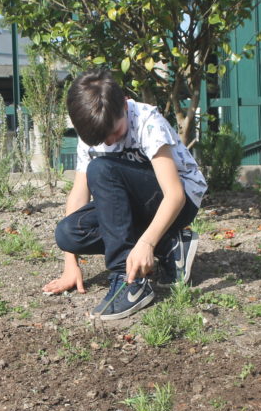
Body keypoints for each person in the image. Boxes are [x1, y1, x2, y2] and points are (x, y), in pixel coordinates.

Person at [42, 69, 207, 319]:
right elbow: (79, 194)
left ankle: (129, 280)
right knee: (69, 233)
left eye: (115, 133)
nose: (108, 142)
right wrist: (70, 265)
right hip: (135, 206)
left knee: (102, 168)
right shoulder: (94, 127)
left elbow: (175, 194)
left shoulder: (146, 121)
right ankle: (170, 245)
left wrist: (145, 243)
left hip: (179, 201)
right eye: (101, 139)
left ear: (124, 105)